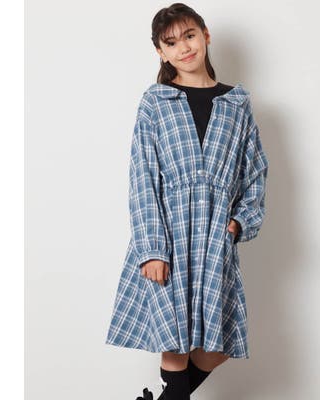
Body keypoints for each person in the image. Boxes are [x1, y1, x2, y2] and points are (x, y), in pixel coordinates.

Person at [105, 3, 269, 399]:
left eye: (190, 35)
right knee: (175, 342)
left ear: (205, 36)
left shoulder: (237, 104)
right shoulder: (155, 102)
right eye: (172, 42)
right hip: (168, 239)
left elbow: (255, 173)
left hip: (215, 241)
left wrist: (239, 223)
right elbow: (142, 179)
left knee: (218, 345)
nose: (184, 47)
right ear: (161, 52)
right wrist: (152, 249)